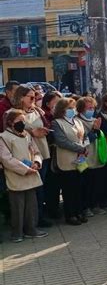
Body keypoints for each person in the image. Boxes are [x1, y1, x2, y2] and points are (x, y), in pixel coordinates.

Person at [0, 109, 48, 242]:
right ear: (10, 122)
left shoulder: (26, 135)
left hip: (31, 174)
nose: (22, 123)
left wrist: (37, 163)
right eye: (19, 121)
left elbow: (36, 151)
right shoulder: (3, 137)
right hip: (16, 176)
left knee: (31, 205)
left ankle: (31, 229)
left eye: (23, 121)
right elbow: (6, 159)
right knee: (18, 207)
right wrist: (25, 169)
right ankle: (17, 233)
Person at [12, 85, 52, 228]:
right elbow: (12, 131)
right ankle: (30, 220)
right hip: (24, 154)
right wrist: (32, 131)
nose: (34, 99)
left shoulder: (37, 110)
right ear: (21, 97)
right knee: (30, 189)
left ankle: (39, 216)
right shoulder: (13, 113)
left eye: (35, 97)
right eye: (30, 97)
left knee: (41, 187)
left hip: (42, 151)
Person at [52, 98, 89, 226]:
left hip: (80, 159)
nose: (72, 110)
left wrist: (84, 147)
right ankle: (70, 214)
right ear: (62, 109)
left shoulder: (77, 121)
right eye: (69, 108)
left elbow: (83, 137)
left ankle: (79, 212)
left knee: (80, 186)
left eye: (73, 108)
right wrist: (80, 148)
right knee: (69, 189)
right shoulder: (57, 123)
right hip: (67, 160)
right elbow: (62, 141)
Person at [76, 97, 107, 217]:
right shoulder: (77, 121)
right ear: (81, 109)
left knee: (96, 182)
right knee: (84, 183)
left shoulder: (95, 120)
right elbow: (83, 141)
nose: (91, 110)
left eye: (93, 108)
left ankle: (95, 204)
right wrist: (94, 130)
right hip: (83, 157)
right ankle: (85, 207)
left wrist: (97, 130)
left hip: (95, 155)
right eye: (89, 108)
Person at [42, 91, 62, 219]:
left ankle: (55, 208)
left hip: (58, 155)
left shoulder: (58, 116)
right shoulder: (45, 116)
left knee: (56, 183)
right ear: (48, 103)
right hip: (48, 154)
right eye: (56, 103)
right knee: (51, 184)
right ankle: (51, 210)